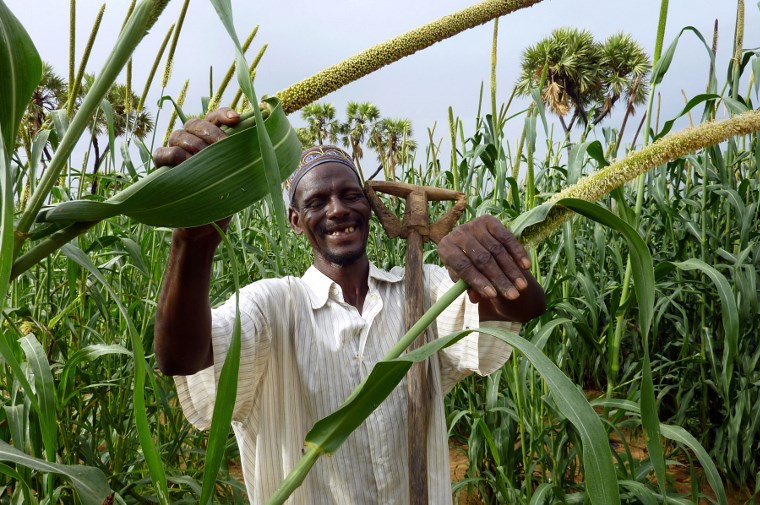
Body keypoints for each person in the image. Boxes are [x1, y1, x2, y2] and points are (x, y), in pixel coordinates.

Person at [153, 108, 546, 505]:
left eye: (351, 195)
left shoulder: (420, 291)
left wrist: (497, 263)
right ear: (295, 220)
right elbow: (182, 357)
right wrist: (194, 237)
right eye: (317, 201)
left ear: (371, 208)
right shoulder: (273, 307)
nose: (338, 209)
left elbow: (519, 308)